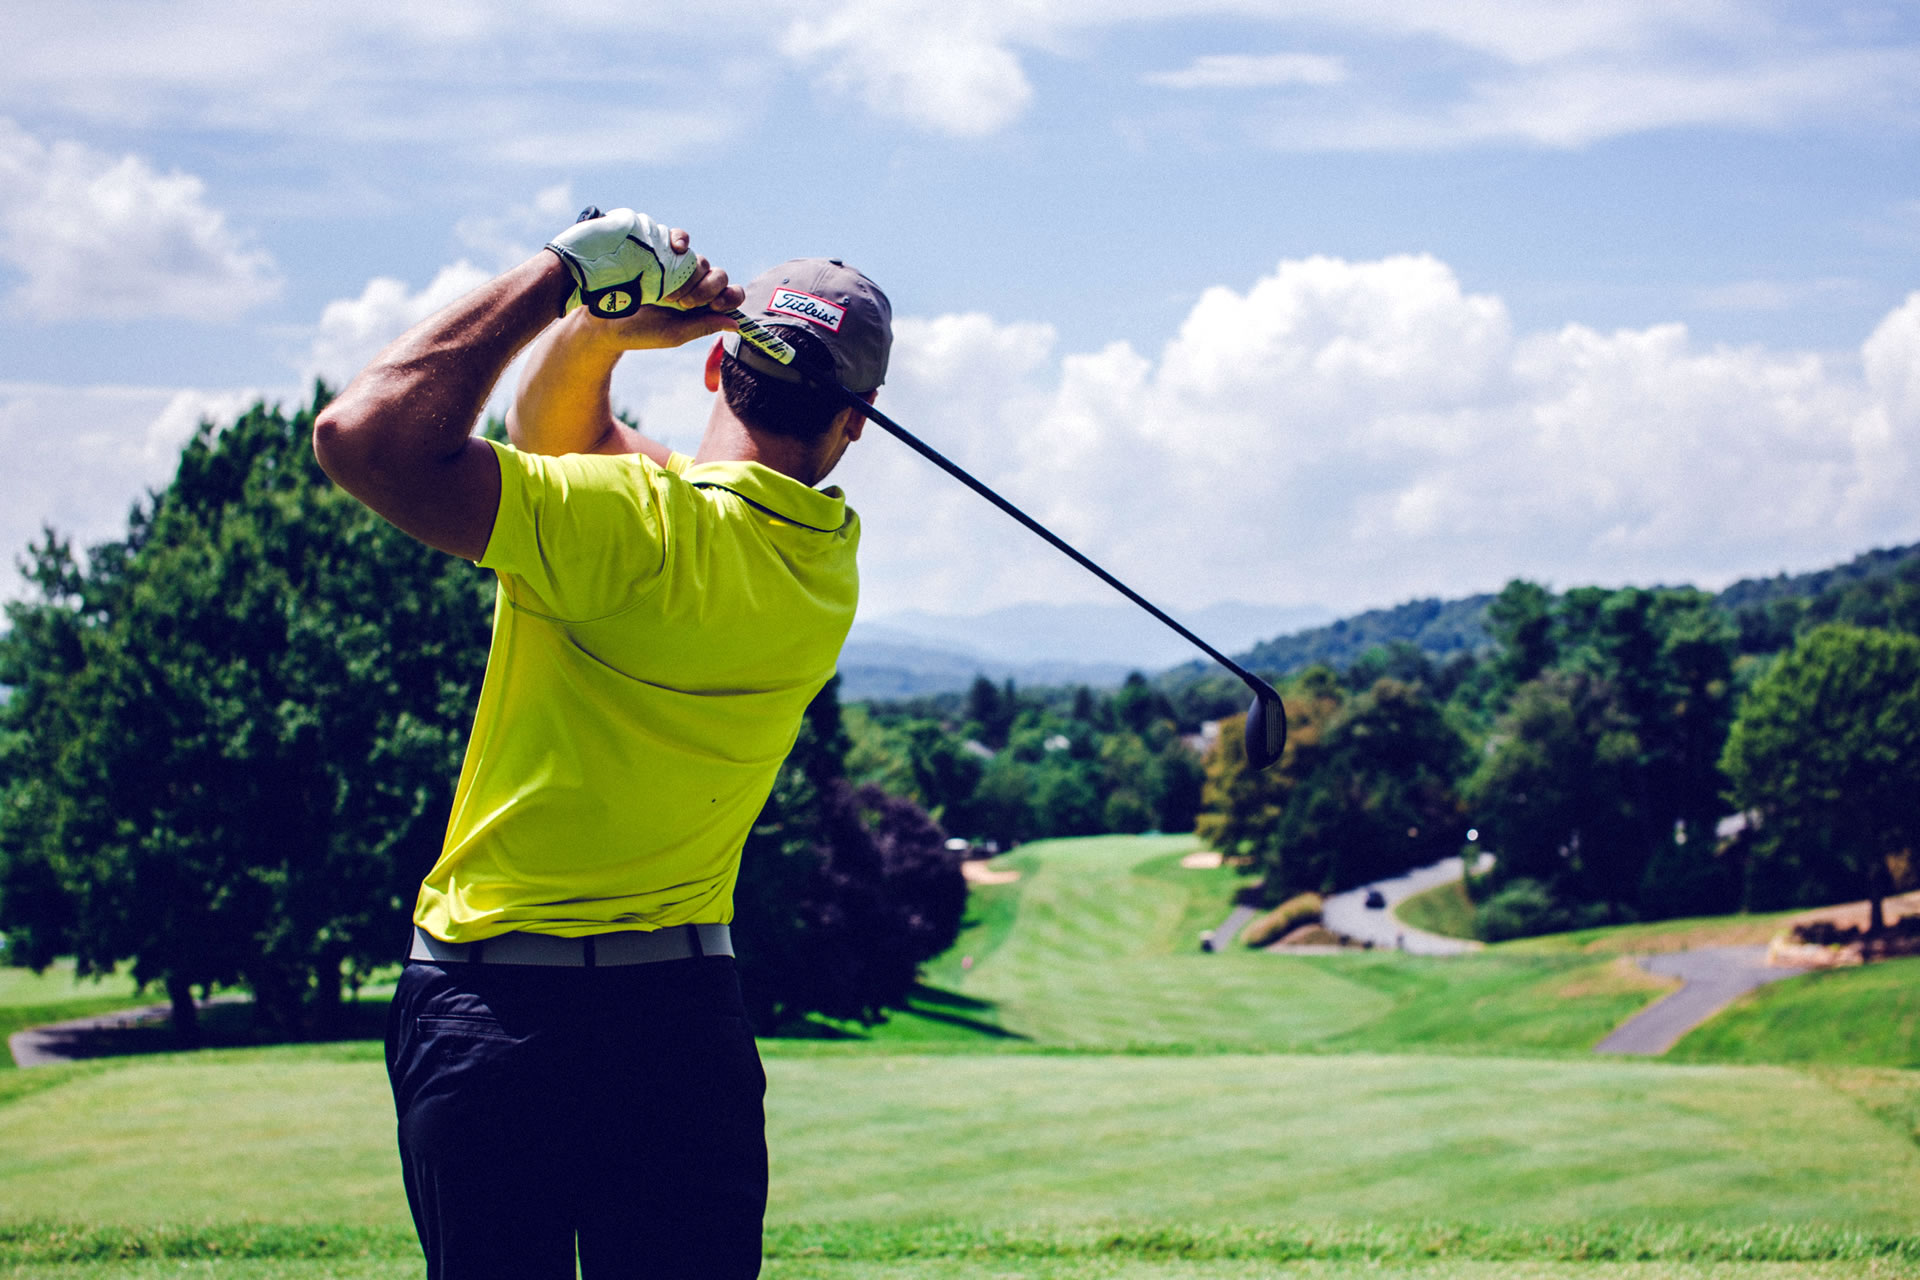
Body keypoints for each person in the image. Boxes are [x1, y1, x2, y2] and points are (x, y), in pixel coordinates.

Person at [313, 206, 892, 1280]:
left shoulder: (623, 522)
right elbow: (572, 444)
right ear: (854, 423)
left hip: (491, 1014)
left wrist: (573, 278)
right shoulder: (823, 571)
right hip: (683, 1026)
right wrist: (597, 336)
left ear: (719, 363)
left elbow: (362, 435)